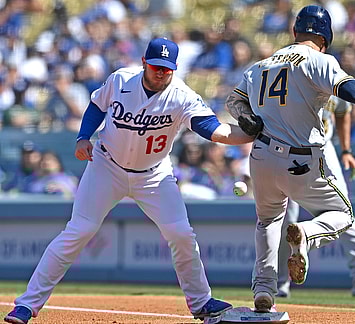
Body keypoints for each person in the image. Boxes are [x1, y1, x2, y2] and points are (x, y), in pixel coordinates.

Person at [4, 37, 259, 324]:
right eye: (155, 67)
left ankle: (201, 302)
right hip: (106, 166)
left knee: (181, 234)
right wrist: (82, 137)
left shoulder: (181, 95)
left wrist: (252, 133)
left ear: (175, 69)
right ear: (144, 64)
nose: (161, 73)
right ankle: (26, 305)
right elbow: (96, 107)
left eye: (167, 69)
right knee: (78, 231)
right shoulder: (121, 80)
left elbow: (214, 131)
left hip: (154, 176)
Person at [224, 4, 355, 312]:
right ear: (326, 37)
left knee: (268, 221)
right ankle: (307, 234)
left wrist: (245, 118)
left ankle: (264, 290)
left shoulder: (260, 65)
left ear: (295, 31)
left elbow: (233, 101)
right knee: (343, 215)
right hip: (301, 160)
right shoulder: (318, 60)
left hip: (262, 156)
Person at [276, 96, 355, 298]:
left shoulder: (332, 80)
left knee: (345, 214)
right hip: (287, 149)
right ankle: (280, 283)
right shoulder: (293, 77)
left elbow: (343, 110)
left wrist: (347, 150)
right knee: (285, 219)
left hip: (324, 149)